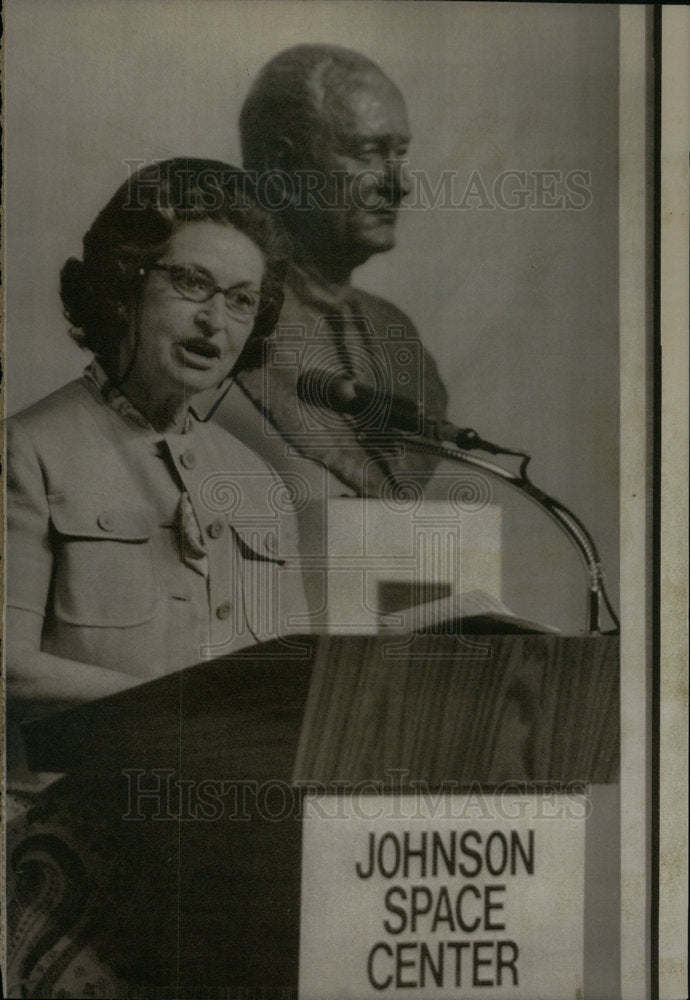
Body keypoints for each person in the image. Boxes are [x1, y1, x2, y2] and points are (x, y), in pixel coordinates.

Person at [5, 157, 308, 725]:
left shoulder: (261, 484)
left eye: (242, 300)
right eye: (193, 283)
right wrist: (183, 708)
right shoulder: (27, 450)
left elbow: (289, 685)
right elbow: (8, 668)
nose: (215, 321)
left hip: (226, 805)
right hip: (68, 805)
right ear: (125, 286)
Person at [213, 44, 448, 497]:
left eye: (400, 153)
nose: (400, 184)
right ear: (281, 167)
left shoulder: (396, 333)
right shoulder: (229, 324)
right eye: (367, 152)